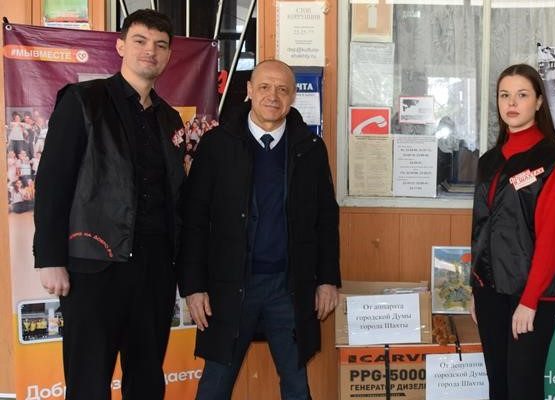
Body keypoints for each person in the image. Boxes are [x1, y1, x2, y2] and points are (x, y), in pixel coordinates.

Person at [32, 9, 184, 399]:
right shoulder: (84, 100)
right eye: (140, 41)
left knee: (147, 381)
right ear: (120, 47)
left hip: (154, 271)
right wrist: (50, 258)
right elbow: (52, 181)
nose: (150, 51)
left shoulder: (169, 119)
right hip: (94, 267)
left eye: (160, 45)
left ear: (168, 55)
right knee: (88, 382)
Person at [178, 59, 340, 400]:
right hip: (230, 286)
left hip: (288, 286)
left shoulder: (309, 148)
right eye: (264, 87)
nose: (273, 96)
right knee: (215, 385)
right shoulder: (217, 145)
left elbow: (326, 219)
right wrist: (193, 286)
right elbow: (194, 219)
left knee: (297, 385)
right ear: (249, 90)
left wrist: (327, 280)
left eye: (282, 89)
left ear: (293, 97)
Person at [470, 63, 555, 400]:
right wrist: (476, 286)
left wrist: (530, 301)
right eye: (504, 95)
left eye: (522, 95)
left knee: (523, 388)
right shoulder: (489, 161)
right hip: (490, 291)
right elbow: (482, 229)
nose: (512, 103)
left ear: (539, 102)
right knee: (499, 388)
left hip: (531, 295)